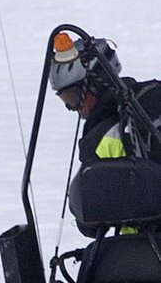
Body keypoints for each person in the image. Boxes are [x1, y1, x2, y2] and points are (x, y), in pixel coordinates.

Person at [49, 31, 161, 235]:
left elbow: (88, 222)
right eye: (65, 100)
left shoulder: (99, 139)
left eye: (73, 98)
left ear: (96, 84)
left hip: (139, 252)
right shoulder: (154, 94)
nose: (74, 108)